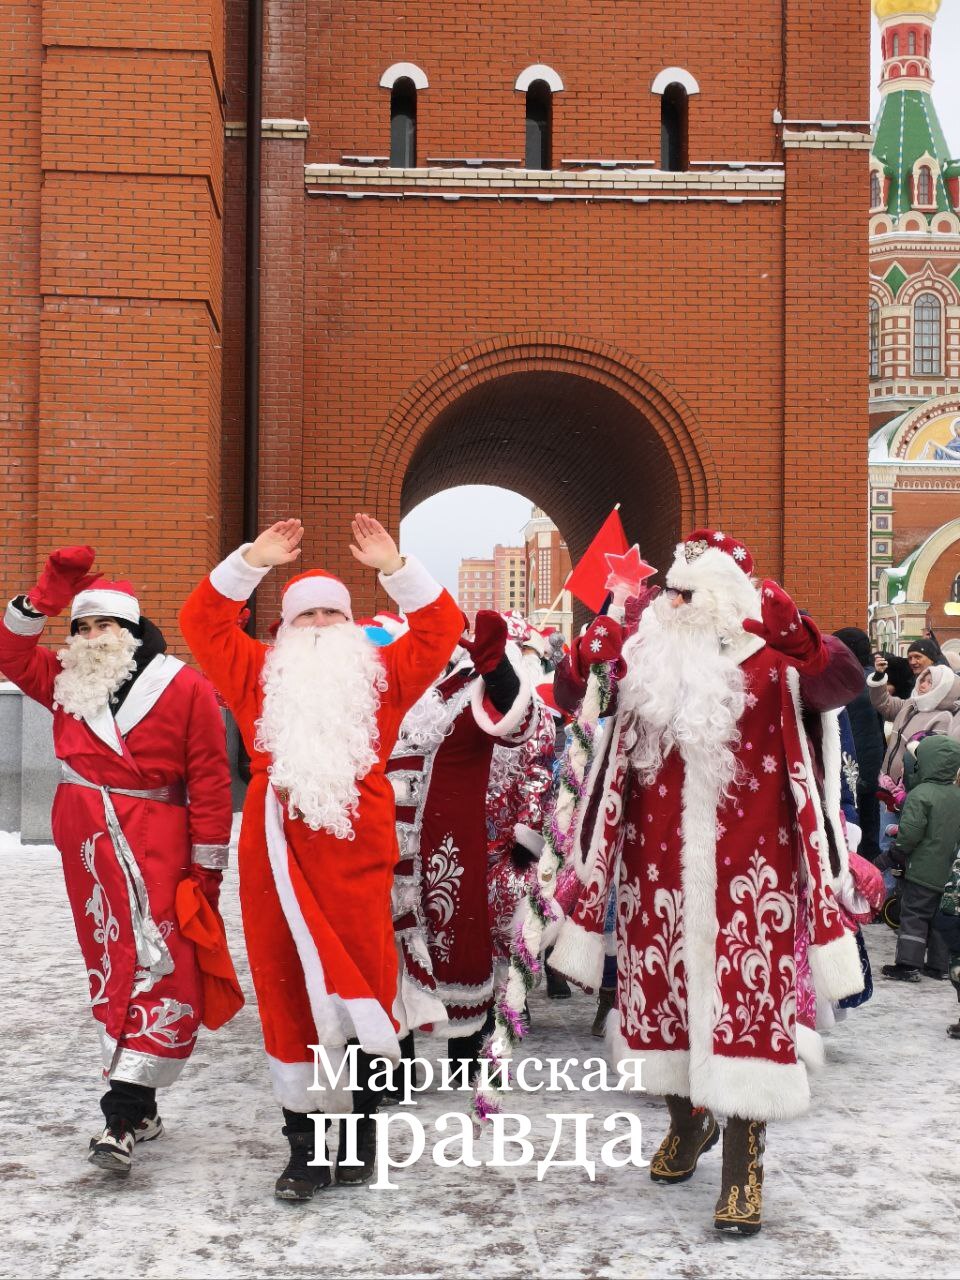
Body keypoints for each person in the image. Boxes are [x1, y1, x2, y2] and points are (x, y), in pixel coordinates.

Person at [549, 529, 863, 1236]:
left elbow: (841, 684)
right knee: (662, 1003)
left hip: (752, 874)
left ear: (727, 595)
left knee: (747, 1010)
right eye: (670, 590)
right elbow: (571, 700)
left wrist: (807, 641)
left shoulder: (774, 660)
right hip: (653, 871)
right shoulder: (646, 657)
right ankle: (688, 1123)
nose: (672, 599)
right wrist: (578, 662)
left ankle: (744, 1159)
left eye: (689, 591)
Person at [178, 516, 463, 1200]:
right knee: (284, 991)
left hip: (357, 860)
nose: (321, 625)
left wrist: (397, 568)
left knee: (361, 990)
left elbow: (440, 631)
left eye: (334, 612)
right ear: (282, 628)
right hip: (273, 861)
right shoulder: (254, 674)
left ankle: (359, 1138)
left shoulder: (384, 676)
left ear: (353, 624)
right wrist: (251, 561)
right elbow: (201, 623)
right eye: (306, 616)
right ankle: (303, 1148)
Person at [0, 548, 235, 1177]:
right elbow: (10, 653)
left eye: (104, 625)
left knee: (161, 961)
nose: (91, 637)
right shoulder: (64, 679)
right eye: (81, 626)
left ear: (131, 631)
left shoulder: (183, 685)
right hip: (88, 844)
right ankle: (138, 1105)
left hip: (159, 839)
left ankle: (124, 1113)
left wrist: (207, 867)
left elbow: (211, 779)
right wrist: (47, 594)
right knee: (110, 958)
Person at [386, 609, 546, 1073]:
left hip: (451, 840)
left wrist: (496, 667)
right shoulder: (393, 674)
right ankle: (395, 1063)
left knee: (458, 937)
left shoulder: (473, 681)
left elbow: (520, 724)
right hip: (385, 840)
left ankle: (465, 1051)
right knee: (391, 943)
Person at [876, 736, 960, 982]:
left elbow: (911, 832)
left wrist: (895, 853)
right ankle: (939, 966)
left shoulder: (920, 795)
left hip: (922, 871)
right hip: (946, 873)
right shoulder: (956, 795)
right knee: (938, 919)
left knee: (913, 915)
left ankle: (907, 964)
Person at [834, 628, 886, 861]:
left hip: (853, 759)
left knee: (854, 815)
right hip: (872, 758)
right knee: (870, 815)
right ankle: (872, 865)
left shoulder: (847, 680)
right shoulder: (869, 678)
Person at [868, 661, 960, 784]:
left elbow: (931, 759)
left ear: (942, 689)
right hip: (888, 781)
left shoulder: (942, 718)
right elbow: (884, 703)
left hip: (910, 787)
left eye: (930, 682)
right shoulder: (911, 705)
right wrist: (879, 677)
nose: (922, 685)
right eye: (923, 680)